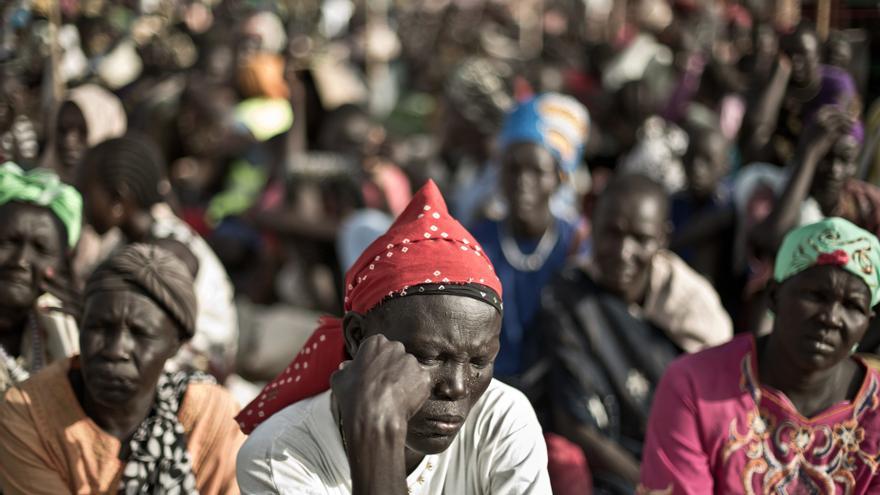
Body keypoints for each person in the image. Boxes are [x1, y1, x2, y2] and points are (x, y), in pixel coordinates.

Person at [235, 181, 551, 494]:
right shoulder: (279, 457)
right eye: (429, 356)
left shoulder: (501, 418)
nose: (456, 385)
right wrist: (377, 436)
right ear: (357, 337)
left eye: (480, 361)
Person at [639, 217, 880, 493]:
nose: (831, 318)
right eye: (815, 295)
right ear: (774, 296)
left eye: (852, 306)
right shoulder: (695, 385)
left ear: (868, 324)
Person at [536, 173, 732, 492]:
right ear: (592, 225)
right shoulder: (570, 292)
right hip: (609, 464)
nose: (623, 251)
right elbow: (573, 421)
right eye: (611, 233)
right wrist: (646, 484)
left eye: (640, 238)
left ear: (662, 238)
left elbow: (719, 417)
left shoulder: (694, 306)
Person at [0, 244, 245, 494]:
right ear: (80, 325)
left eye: (140, 334)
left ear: (177, 343)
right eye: (99, 327)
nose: (115, 350)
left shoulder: (211, 416)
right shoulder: (28, 413)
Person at [76, 135, 238, 380]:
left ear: (118, 199)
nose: (83, 205)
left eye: (87, 193)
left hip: (198, 378)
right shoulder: (131, 240)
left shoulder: (167, 250)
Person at [469, 93, 589, 382]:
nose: (523, 182)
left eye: (537, 171)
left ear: (559, 178)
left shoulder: (576, 242)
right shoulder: (477, 239)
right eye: (513, 169)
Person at [0, 162, 81, 394]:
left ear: (63, 264)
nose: (21, 260)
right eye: (8, 242)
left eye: (41, 248)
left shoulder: (71, 334)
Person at [41, 84, 127, 183]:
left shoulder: (124, 194)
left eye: (82, 131)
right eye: (62, 130)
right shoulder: (36, 190)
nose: (68, 141)